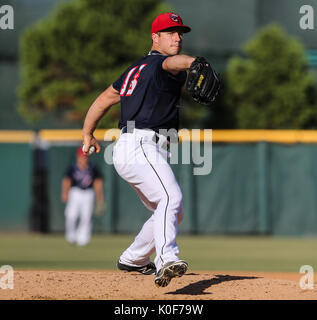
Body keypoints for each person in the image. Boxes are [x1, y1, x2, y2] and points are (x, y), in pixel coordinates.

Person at [82, 12, 196, 287]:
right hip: (140, 144)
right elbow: (173, 63)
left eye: (179, 32)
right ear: (155, 37)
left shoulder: (135, 69)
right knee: (172, 196)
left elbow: (105, 98)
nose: (177, 37)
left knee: (169, 210)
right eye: (170, 32)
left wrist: (87, 133)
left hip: (138, 148)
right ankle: (166, 258)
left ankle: (133, 258)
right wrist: (195, 62)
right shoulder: (160, 63)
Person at [61, 146, 104, 246]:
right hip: (75, 192)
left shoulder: (93, 167)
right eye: (82, 157)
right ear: (78, 156)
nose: (83, 159)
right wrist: (65, 193)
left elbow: (98, 183)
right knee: (71, 215)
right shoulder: (72, 167)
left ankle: (83, 238)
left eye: (85, 157)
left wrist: (100, 198)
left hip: (88, 193)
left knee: (86, 216)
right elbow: (67, 181)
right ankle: (70, 236)